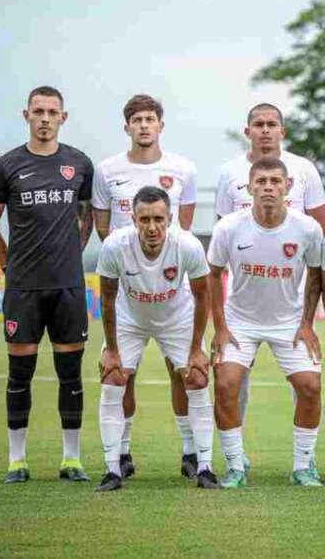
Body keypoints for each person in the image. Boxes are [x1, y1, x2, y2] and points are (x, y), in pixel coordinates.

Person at [0, 85, 94, 484]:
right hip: (23, 288)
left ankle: (71, 459)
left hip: (68, 287)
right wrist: (10, 265)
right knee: (19, 373)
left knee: (70, 374)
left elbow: (86, 217)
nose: (45, 119)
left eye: (52, 112)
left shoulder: (79, 164)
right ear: (25, 115)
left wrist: (71, 254)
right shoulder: (6, 167)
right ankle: (17, 461)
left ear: (64, 117)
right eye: (38, 111)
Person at [213, 102, 325, 469]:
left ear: (287, 186)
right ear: (247, 186)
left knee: (310, 386)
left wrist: (309, 322)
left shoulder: (306, 216)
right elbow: (215, 268)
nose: (265, 130)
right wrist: (220, 326)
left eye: (271, 124)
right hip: (241, 319)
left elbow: (317, 268)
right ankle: (234, 464)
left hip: (290, 320)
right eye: (258, 124)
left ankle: (303, 465)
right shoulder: (229, 218)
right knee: (228, 383)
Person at [92, 94, 201, 481]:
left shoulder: (183, 168)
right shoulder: (107, 171)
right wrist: (130, 262)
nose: (143, 125)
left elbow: (182, 226)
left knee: (182, 371)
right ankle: (121, 454)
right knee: (124, 373)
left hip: (172, 288)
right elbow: (103, 227)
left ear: (160, 125)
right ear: (127, 126)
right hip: (128, 288)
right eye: (136, 119)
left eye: (150, 119)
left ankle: (191, 452)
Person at [94, 186, 217, 492]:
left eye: (159, 219)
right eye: (145, 219)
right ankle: (113, 469)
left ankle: (204, 466)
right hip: (129, 318)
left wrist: (195, 350)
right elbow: (107, 299)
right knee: (113, 377)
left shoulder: (187, 245)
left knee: (198, 378)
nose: (152, 227)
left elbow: (203, 297)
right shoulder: (114, 246)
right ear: (133, 219)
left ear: (170, 218)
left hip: (177, 318)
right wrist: (111, 349)